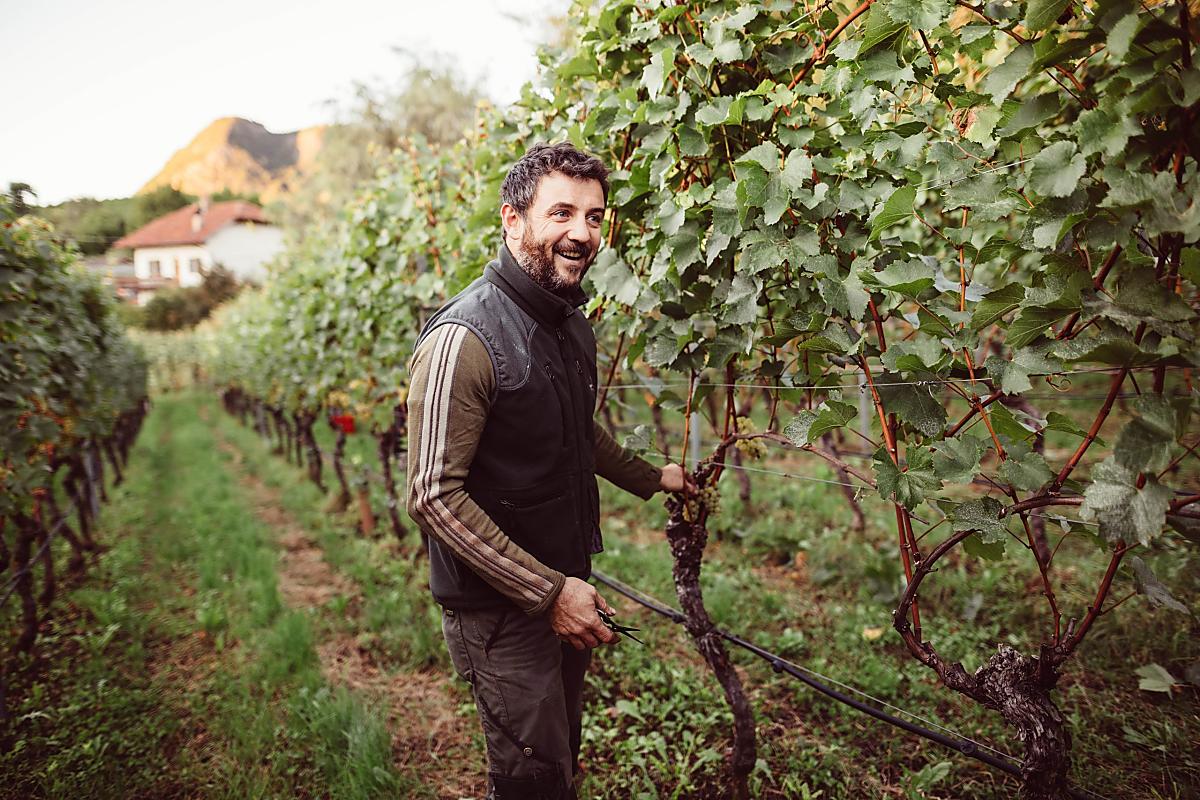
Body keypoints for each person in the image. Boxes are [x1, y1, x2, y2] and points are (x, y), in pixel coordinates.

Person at [405, 141, 689, 799]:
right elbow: (432, 495)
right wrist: (549, 593)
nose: (582, 233)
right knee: (530, 779)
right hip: (499, 608)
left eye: (593, 217)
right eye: (561, 213)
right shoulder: (464, 338)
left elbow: (575, 432)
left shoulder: (567, 324)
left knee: (559, 760)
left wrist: (654, 478)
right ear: (513, 220)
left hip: (563, 586)